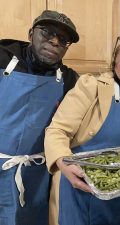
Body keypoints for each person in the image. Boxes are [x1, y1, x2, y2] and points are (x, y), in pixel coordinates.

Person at [44, 36, 120, 225]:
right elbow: (57, 130)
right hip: (80, 188)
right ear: (114, 63)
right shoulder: (92, 87)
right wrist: (63, 164)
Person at [0, 10, 79, 225]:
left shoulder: (69, 79)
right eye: (47, 33)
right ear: (30, 33)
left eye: (63, 40)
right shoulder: (2, 57)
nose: (54, 41)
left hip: (38, 177)